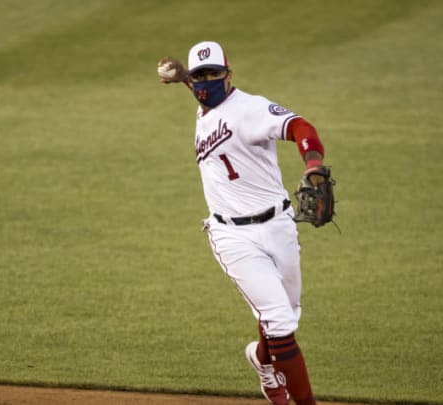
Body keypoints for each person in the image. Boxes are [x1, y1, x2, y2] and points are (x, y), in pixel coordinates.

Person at [157, 41, 327, 405]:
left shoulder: (250, 108)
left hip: (279, 226)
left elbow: (300, 125)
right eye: (199, 77)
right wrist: (183, 76)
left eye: (214, 74)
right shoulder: (205, 99)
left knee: (285, 315)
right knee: (280, 322)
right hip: (231, 235)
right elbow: (204, 92)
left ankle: (262, 361)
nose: (205, 83)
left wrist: (312, 165)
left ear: (228, 74)